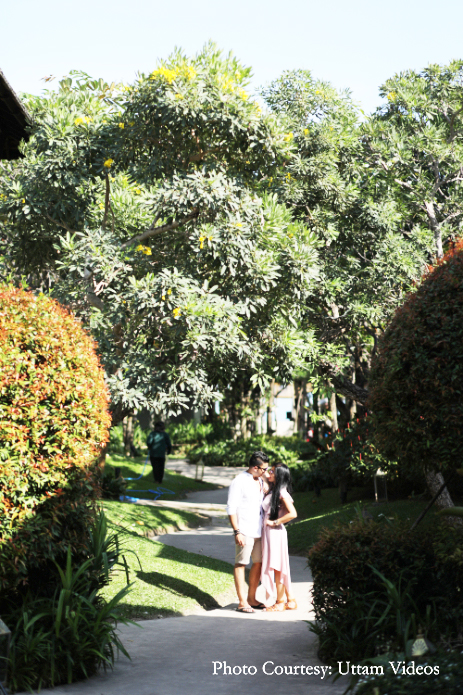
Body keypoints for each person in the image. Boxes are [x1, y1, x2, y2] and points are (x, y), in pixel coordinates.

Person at [227, 451, 269, 613]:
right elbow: (231, 507)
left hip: (259, 530)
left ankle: (252, 597)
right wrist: (237, 531)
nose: (266, 471)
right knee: (241, 563)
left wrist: (263, 479)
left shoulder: (258, 479)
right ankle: (242, 601)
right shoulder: (239, 481)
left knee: (258, 563)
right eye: (264, 469)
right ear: (255, 467)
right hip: (244, 530)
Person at [261, 462, 298, 611]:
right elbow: (263, 473)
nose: (269, 473)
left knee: (277, 567)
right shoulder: (273, 490)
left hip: (275, 533)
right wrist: (264, 468)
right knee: (280, 565)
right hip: (271, 533)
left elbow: (293, 513)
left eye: (272, 472)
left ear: (279, 476)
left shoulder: (281, 492)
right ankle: (291, 599)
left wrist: (274, 522)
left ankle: (280, 602)